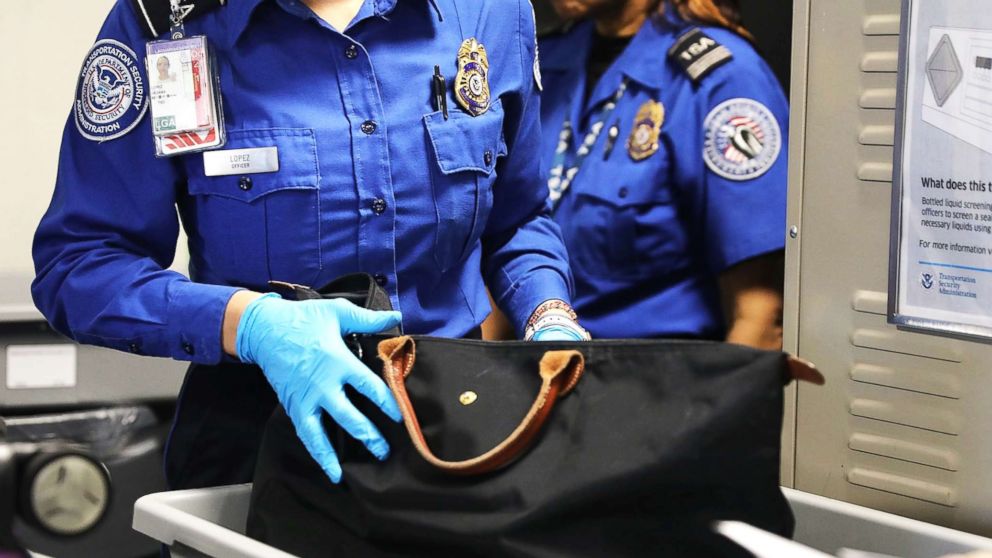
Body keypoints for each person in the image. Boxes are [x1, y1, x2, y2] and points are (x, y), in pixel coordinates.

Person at [32, 0, 587, 491]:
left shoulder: (489, 11)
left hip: (459, 428)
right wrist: (249, 323)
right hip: (260, 442)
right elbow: (78, 263)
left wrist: (548, 313)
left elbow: (517, 220)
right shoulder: (168, 24)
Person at [537, 0, 788, 349]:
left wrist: (716, 401)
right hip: (539, 366)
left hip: (661, 381)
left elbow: (759, 317)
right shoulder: (546, 61)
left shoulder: (719, 77)